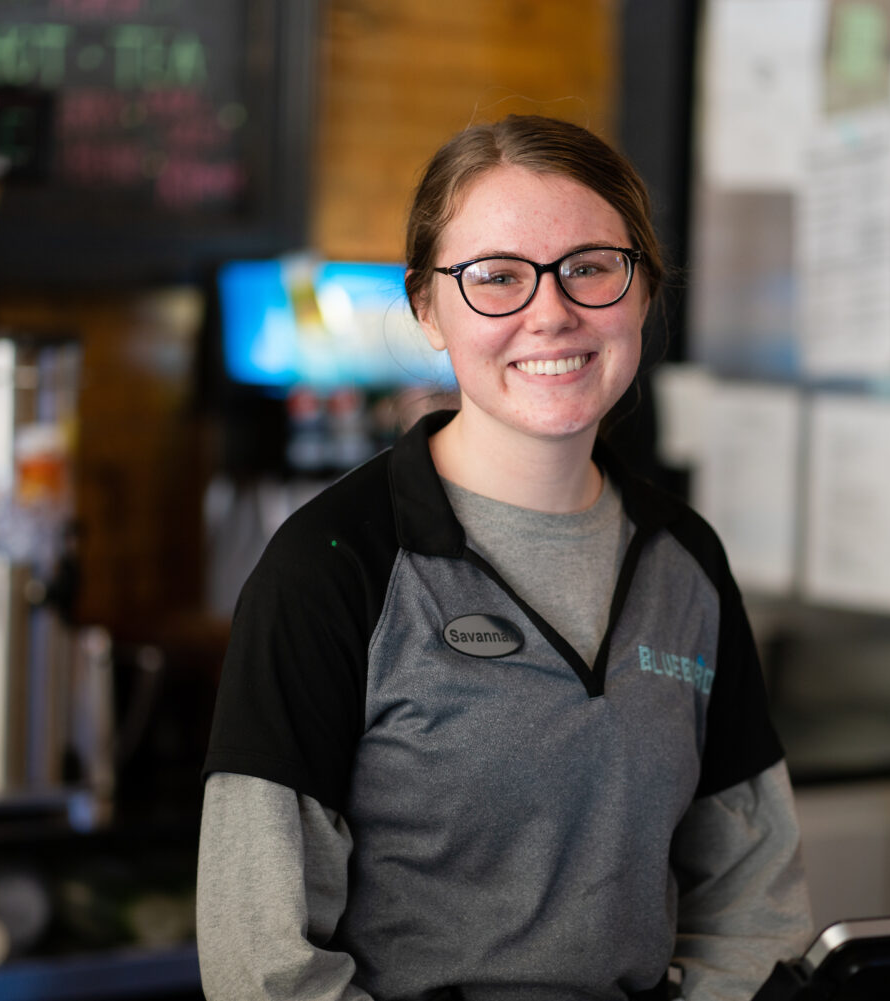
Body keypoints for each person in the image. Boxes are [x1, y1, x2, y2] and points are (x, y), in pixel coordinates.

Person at [197, 115, 813, 1001]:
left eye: (591, 268)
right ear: (425, 308)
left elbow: (754, 900)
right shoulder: (330, 568)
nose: (551, 312)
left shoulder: (686, 562)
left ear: (642, 290)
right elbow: (262, 968)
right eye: (496, 278)